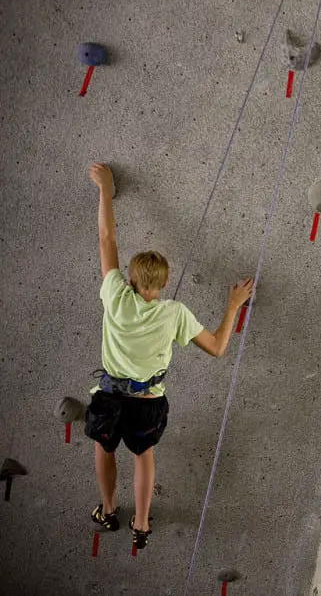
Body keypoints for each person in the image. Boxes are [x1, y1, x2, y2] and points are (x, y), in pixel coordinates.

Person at [84, 163, 253, 551]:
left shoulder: (114, 295)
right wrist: (232, 306)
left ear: (129, 278)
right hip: (147, 402)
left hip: (108, 397)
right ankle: (140, 524)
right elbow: (217, 347)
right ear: (163, 282)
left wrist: (105, 190)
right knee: (143, 457)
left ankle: (108, 510)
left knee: (104, 449)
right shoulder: (174, 312)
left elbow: (106, 238)